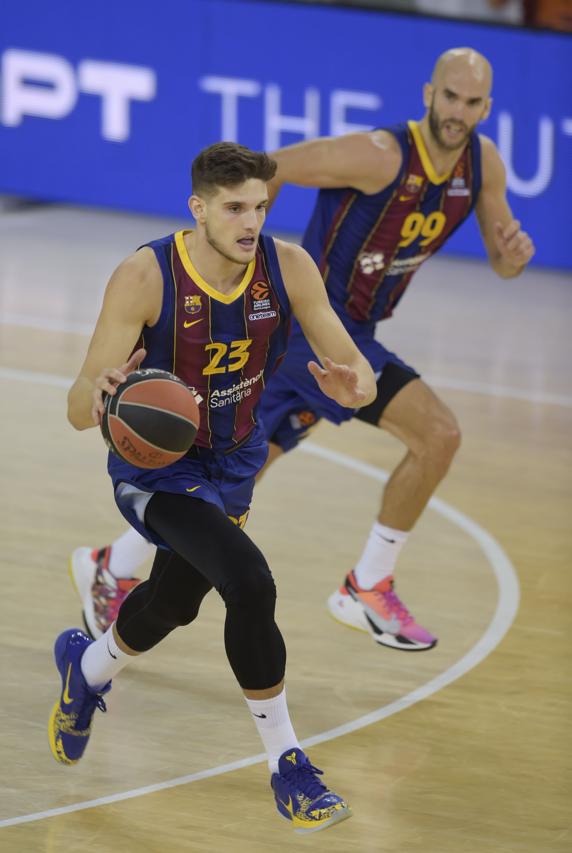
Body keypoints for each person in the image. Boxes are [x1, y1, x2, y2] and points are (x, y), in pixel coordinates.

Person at [71, 47, 535, 653]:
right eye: (450, 96)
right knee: (438, 434)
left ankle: (113, 563)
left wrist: (512, 257)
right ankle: (367, 584)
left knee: (237, 473)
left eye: (472, 103)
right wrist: (254, 262)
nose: (458, 111)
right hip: (314, 331)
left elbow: (503, 263)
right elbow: (273, 167)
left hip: (339, 334)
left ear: (486, 108)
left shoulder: (483, 164)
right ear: (429, 93)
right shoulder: (377, 155)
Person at [50, 142, 376, 833]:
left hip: (233, 462)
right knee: (249, 582)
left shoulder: (288, 268)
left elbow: (355, 364)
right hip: (158, 471)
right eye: (234, 207)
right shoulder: (145, 276)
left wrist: (357, 383)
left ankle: (89, 668)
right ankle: (288, 764)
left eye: (260, 205)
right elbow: (77, 408)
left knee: (174, 601)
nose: (250, 219)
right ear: (198, 208)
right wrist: (103, 394)